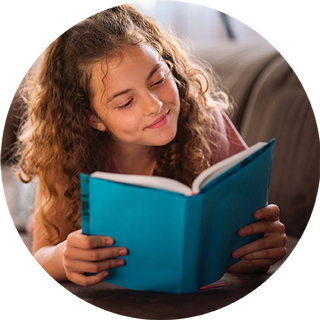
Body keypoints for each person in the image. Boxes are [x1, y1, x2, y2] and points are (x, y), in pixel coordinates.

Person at [16, 6, 287, 286]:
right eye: (125, 102)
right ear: (93, 118)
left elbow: (242, 248)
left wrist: (258, 252)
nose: (155, 106)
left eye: (158, 80)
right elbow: (42, 252)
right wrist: (62, 255)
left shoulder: (210, 126)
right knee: (26, 194)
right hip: (39, 189)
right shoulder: (65, 152)